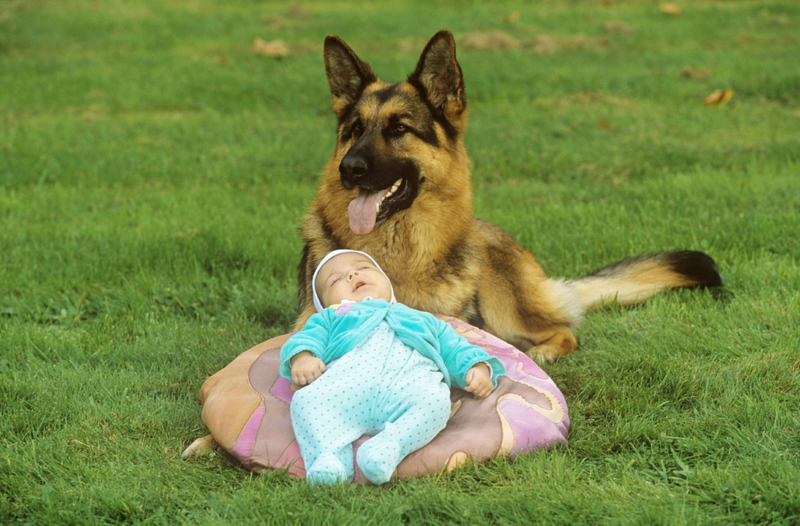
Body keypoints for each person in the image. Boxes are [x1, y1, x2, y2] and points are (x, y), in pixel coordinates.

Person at [279, 249, 505, 486]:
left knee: (436, 402)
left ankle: (388, 447)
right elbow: (304, 338)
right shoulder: (330, 318)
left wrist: (476, 367)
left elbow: (454, 346)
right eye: (335, 280)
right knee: (306, 402)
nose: (353, 274)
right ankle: (328, 458)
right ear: (324, 304)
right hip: (345, 390)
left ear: (387, 282)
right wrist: (303, 358)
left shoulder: (421, 318)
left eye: (364, 268)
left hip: (407, 388)